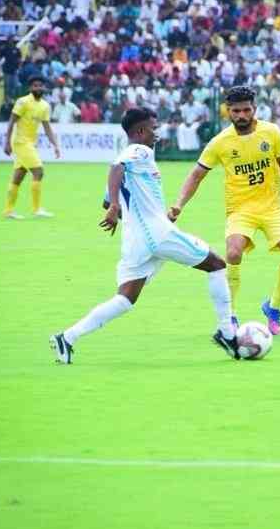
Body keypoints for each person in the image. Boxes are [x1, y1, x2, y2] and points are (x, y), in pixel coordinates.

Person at [50, 109, 241, 364]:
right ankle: (227, 333)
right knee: (217, 265)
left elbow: (107, 197)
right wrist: (116, 208)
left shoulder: (137, 161)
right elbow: (116, 167)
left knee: (125, 299)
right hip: (157, 235)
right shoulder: (139, 151)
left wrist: (116, 207)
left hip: (137, 241)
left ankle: (68, 337)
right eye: (154, 128)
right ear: (140, 131)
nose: (157, 134)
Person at [168, 86, 280, 336]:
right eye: (236, 111)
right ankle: (230, 316)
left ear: (254, 109)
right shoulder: (220, 142)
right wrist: (178, 204)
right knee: (232, 252)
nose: (241, 115)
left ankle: (273, 308)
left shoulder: (272, 132)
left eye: (246, 110)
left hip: (274, 207)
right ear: (227, 112)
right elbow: (196, 175)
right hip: (240, 210)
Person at [3, 75, 60, 219]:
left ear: (44, 88)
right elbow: (11, 122)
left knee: (18, 177)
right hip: (21, 142)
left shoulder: (45, 106)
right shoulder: (22, 102)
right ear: (30, 88)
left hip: (30, 143)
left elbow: (47, 128)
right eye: (35, 86)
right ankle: (36, 210)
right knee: (39, 172)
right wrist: (6, 142)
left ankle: (8, 211)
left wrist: (55, 145)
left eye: (40, 86)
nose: (38, 88)